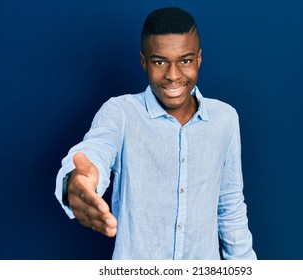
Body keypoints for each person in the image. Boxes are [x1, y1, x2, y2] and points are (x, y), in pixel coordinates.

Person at [55, 7, 256, 260]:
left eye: (185, 61)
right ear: (144, 62)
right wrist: (77, 180)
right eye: (160, 62)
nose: (173, 76)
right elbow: (97, 148)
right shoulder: (121, 112)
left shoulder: (225, 118)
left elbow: (230, 207)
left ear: (199, 59)